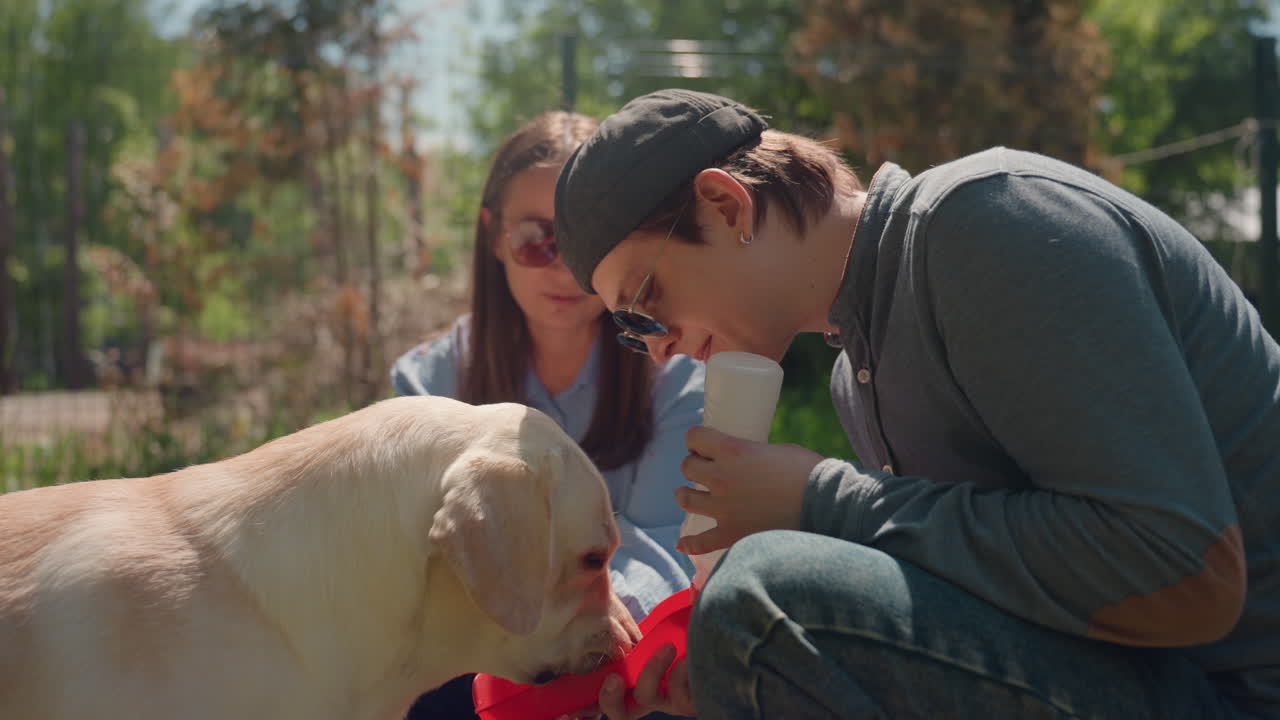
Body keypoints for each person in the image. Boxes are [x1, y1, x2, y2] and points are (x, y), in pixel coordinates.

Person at [551, 89, 1280, 720]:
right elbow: (999, 599)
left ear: (725, 204)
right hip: (1153, 676)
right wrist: (742, 674)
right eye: (630, 329)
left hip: (1238, 691)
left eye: (647, 303)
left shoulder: (987, 223)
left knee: (765, 595)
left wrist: (822, 502)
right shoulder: (858, 372)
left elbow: (1186, 576)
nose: (657, 347)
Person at [390, 111, 704, 719]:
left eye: (587, 244)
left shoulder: (679, 377)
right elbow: (415, 565)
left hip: (622, 655)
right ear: (492, 236)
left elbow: (669, 543)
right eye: (538, 240)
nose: (564, 268)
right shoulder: (427, 384)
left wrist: (579, 639)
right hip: (477, 659)